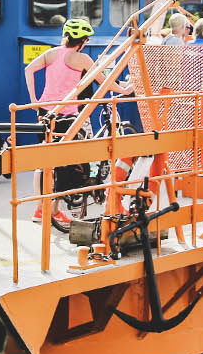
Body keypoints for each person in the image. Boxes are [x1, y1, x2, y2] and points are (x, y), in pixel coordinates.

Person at [24, 18, 130, 223]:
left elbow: (28, 69)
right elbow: (104, 81)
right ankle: (53, 210)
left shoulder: (51, 53)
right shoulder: (81, 59)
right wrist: (125, 89)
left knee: (44, 161)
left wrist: (33, 100)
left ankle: (40, 208)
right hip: (68, 116)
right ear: (82, 41)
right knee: (65, 164)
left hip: (45, 113)